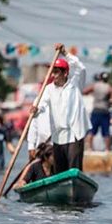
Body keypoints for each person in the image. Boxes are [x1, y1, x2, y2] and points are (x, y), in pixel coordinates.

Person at [32, 45, 91, 173]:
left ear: (65, 73)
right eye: (53, 72)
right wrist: (36, 110)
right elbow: (41, 104)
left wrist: (65, 53)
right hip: (58, 136)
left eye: (57, 72)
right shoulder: (48, 89)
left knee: (74, 170)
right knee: (59, 171)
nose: (54, 75)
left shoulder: (75, 84)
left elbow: (80, 67)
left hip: (74, 134)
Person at [83, 72, 112, 151]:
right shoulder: (110, 88)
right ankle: (107, 149)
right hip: (104, 111)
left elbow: (84, 91)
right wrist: (108, 100)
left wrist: (94, 94)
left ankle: (89, 148)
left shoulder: (95, 86)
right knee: (106, 132)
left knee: (92, 131)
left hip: (96, 110)